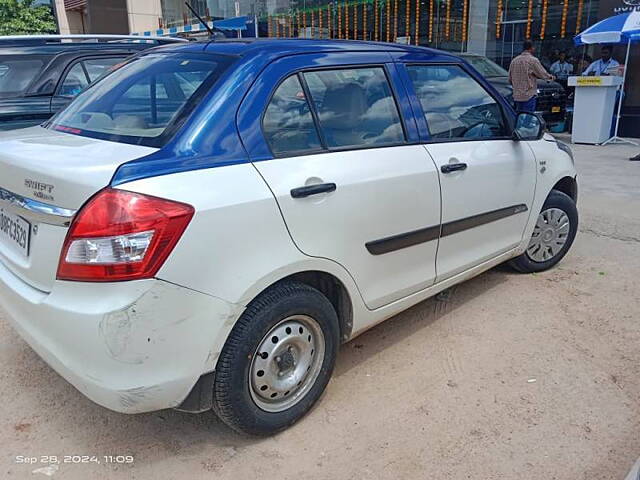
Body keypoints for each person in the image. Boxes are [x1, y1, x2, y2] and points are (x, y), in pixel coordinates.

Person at [508, 41, 555, 113]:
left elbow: (510, 79)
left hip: (517, 96)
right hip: (528, 95)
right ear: (532, 48)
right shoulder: (533, 60)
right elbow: (542, 74)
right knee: (527, 118)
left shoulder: (514, 61)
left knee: (519, 118)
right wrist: (551, 77)